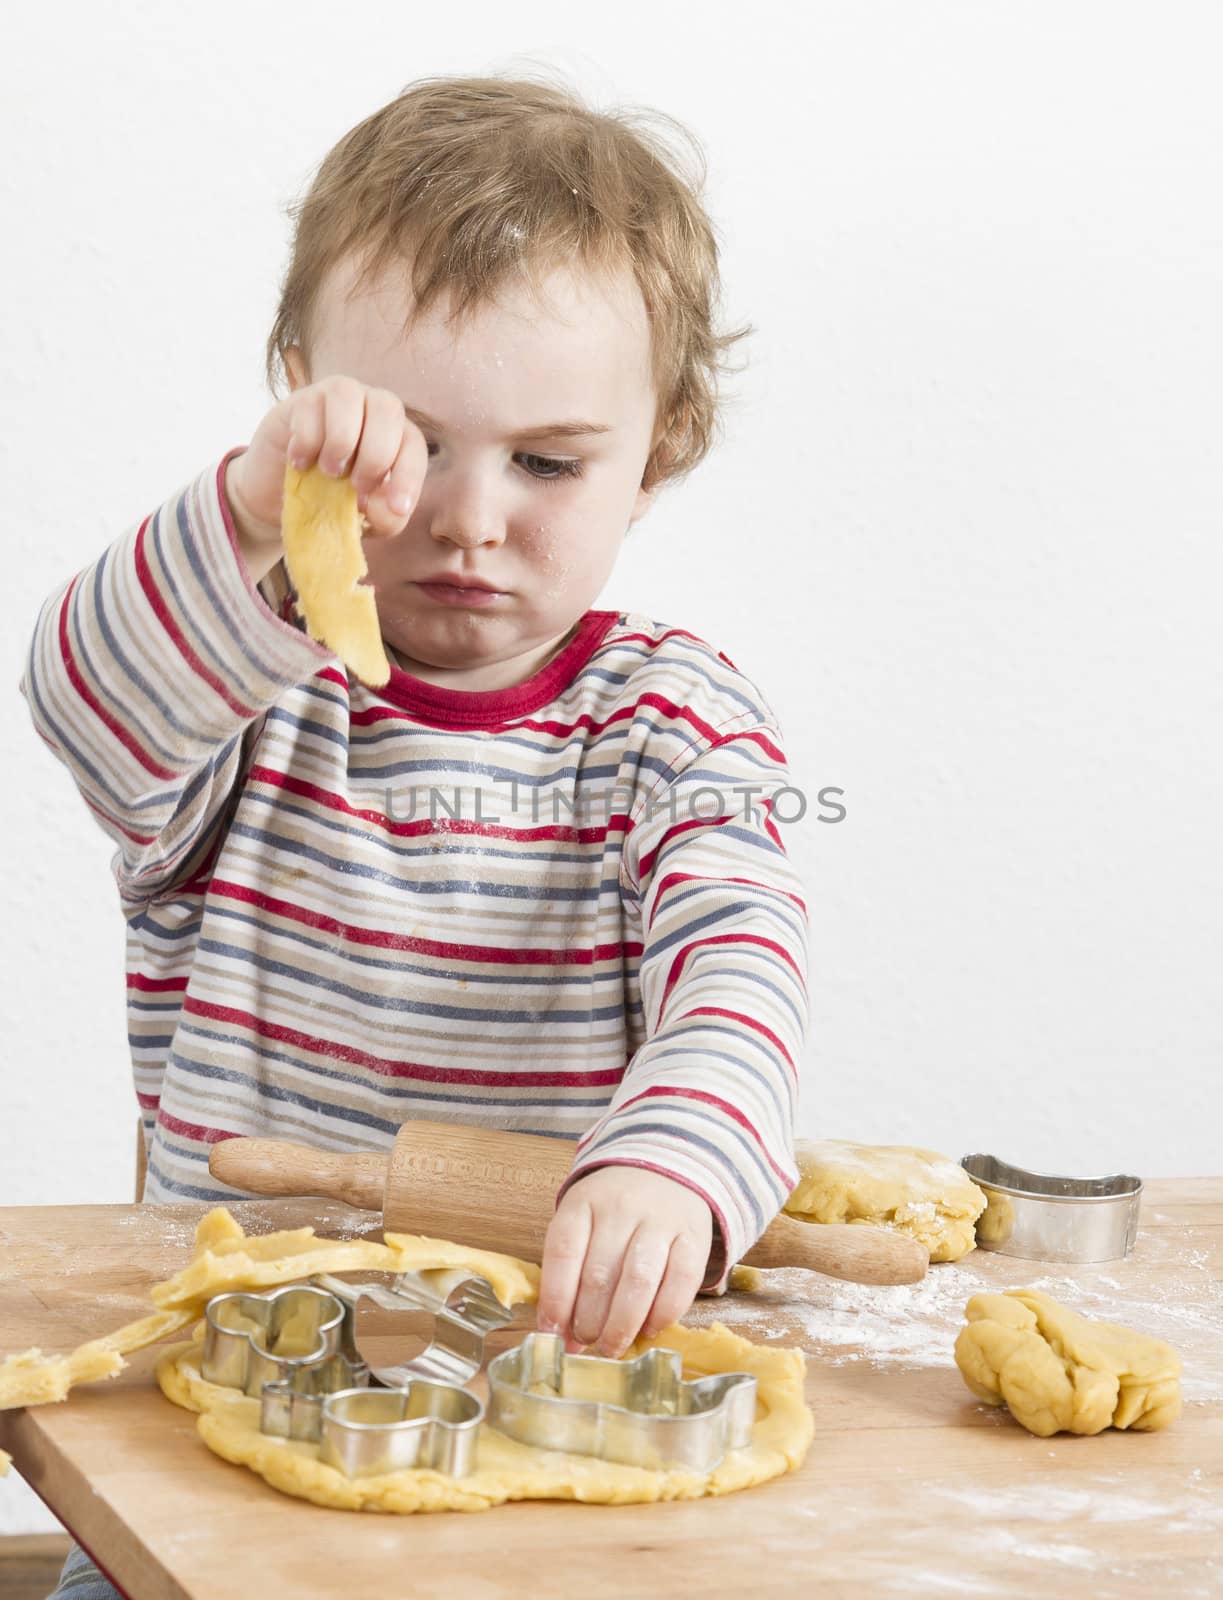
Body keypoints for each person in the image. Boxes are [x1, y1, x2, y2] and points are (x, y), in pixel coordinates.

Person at [23, 70, 809, 1596]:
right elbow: (77, 693)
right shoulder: (243, 687)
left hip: (549, 1413)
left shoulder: (679, 723)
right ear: (305, 400)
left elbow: (743, 974)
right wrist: (249, 511)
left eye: (548, 461)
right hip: (219, 1416)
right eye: (405, 446)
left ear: (663, 450)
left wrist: (670, 1168)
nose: (465, 515)